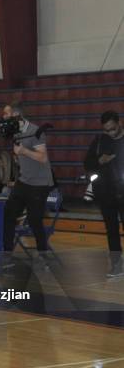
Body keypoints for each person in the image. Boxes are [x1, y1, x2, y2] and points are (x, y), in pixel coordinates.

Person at [1, 101, 54, 260]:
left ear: (16, 115)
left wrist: (23, 151)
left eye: (6, 114)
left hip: (40, 183)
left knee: (34, 220)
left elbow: (42, 157)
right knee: (8, 214)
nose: (3, 117)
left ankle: (43, 254)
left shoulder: (35, 131)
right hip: (24, 180)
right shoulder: (15, 132)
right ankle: (7, 254)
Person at [84, 110, 124, 277]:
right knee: (111, 230)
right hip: (106, 193)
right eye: (106, 130)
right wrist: (99, 161)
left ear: (119, 123)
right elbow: (87, 163)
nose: (110, 133)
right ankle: (116, 265)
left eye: (112, 129)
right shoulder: (99, 141)